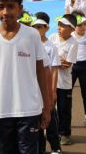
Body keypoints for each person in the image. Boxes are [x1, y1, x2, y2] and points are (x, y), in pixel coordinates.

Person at [0, 0, 51, 154]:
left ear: (20, 9)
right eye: (0, 7)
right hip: (2, 111)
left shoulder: (32, 35)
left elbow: (41, 72)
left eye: (11, 7)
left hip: (30, 110)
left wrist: (46, 108)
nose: (5, 12)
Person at [32, 12, 62, 154]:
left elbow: (55, 70)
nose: (38, 29)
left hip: (47, 88)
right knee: (36, 122)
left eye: (40, 27)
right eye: (35, 27)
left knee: (50, 119)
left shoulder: (51, 46)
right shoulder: (30, 45)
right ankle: (41, 149)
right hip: (34, 90)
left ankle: (55, 147)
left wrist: (53, 91)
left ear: (46, 28)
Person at [48, 14, 78, 146]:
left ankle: (65, 134)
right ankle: (51, 132)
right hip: (50, 81)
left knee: (64, 109)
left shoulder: (73, 43)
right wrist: (58, 61)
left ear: (72, 29)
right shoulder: (52, 38)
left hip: (64, 83)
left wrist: (54, 61)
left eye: (63, 25)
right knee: (49, 108)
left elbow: (68, 64)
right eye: (59, 24)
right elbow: (45, 56)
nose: (59, 28)